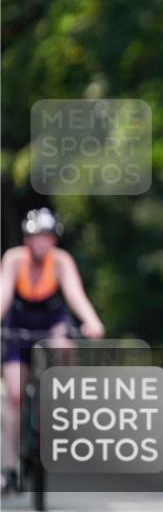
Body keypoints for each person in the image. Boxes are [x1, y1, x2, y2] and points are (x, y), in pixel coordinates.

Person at [0, 208, 105, 495]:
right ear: (26, 239)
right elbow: (3, 295)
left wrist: (91, 320)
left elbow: (75, 295)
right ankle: (10, 469)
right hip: (17, 330)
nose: (41, 243)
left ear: (54, 240)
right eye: (36, 237)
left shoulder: (61, 262)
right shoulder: (13, 260)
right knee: (13, 396)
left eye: (46, 237)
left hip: (52, 327)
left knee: (64, 346)